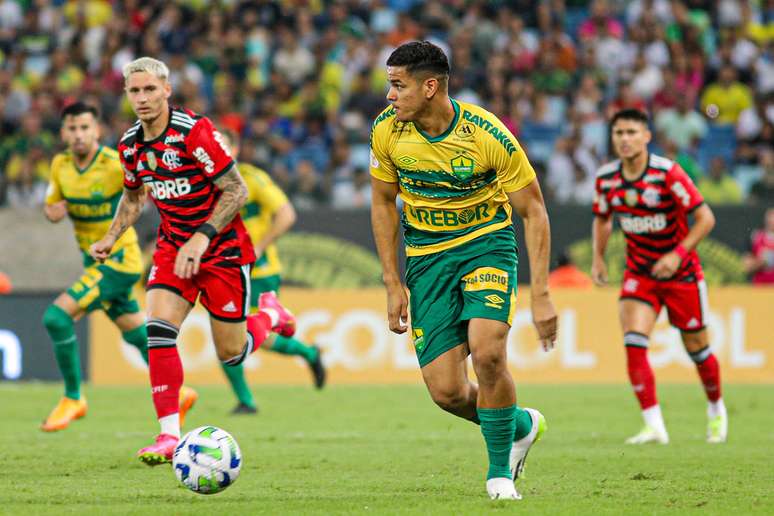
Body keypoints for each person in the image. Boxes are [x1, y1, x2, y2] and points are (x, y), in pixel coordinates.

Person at [369, 42, 557, 501]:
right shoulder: (386, 131)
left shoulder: (486, 133)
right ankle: (520, 424)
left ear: (429, 86)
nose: (390, 96)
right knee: (448, 392)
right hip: (427, 259)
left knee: (489, 352)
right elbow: (381, 202)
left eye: (399, 85)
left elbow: (533, 211)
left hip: (486, 247)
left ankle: (498, 474)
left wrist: (542, 294)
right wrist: (393, 283)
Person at [89, 57, 295, 465]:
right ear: (126, 95)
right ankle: (168, 435)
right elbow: (134, 196)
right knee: (159, 331)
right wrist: (112, 236)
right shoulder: (131, 144)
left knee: (231, 354)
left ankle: (270, 313)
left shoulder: (194, 133)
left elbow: (236, 190)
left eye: (150, 89)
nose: (143, 98)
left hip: (221, 250)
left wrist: (202, 238)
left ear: (167, 90)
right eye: (135, 91)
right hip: (173, 248)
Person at [40, 101, 197, 432]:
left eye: (85, 128)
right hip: (92, 261)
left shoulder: (115, 163)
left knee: (56, 318)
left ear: (96, 130)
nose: (79, 135)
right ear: (63, 132)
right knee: (136, 333)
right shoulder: (60, 165)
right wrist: (52, 211)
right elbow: (52, 202)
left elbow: (146, 196)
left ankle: (73, 397)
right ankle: (179, 393)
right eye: (72, 128)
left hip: (121, 260)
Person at [591, 109, 727, 445]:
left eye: (632, 132)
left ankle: (715, 408)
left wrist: (677, 255)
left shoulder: (668, 174)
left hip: (681, 274)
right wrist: (597, 258)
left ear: (647, 136)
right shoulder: (606, 178)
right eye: (619, 133)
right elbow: (603, 218)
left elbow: (705, 218)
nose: (625, 139)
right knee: (634, 342)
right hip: (640, 273)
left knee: (698, 349)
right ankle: (654, 426)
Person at [218, 130, 326, 415]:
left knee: (251, 336)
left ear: (236, 148)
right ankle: (246, 401)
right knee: (225, 335)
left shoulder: (252, 179)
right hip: (223, 270)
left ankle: (307, 353)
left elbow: (287, 214)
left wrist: (259, 247)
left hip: (260, 272)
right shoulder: (205, 184)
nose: (218, 150)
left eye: (223, 145)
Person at [743, 207, 774, 285]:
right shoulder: (755, 238)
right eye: (770, 218)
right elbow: (746, 267)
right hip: (760, 288)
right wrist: (762, 262)